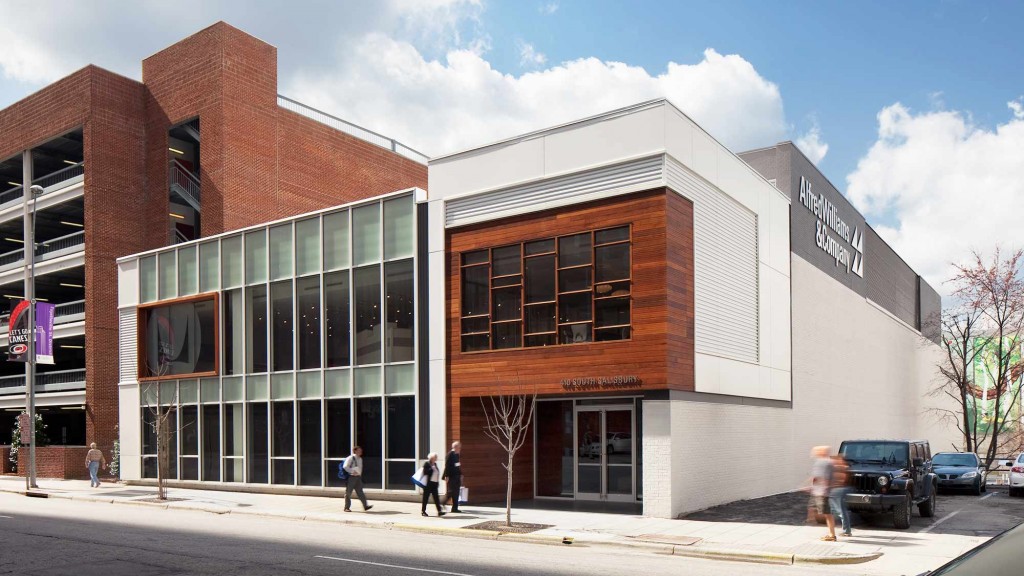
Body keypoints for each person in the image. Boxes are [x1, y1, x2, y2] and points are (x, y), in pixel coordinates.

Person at [806, 445, 836, 542]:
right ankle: (831, 533)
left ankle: (832, 535)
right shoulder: (823, 462)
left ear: (821, 452)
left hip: (822, 491)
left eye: (816, 452)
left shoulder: (825, 462)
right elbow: (816, 477)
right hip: (819, 490)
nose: (814, 454)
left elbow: (824, 478)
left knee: (827, 513)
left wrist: (823, 490)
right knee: (824, 512)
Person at [829, 453, 853, 537]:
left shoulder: (840, 468)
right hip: (840, 490)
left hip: (838, 490)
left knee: (840, 510)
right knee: (840, 510)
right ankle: (846, 530)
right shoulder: (844, 467)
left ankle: (846, 531)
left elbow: (840, 480)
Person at [343, 446, 373, 512]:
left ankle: (365, 506)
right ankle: (346, 507)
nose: (361, 451)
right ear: (355, 451)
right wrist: (352, 471)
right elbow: (345, 466)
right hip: (351, 477)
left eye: (361, 450)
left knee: (360, 492)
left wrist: (360, 476)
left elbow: (360, 469)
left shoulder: (360, 459)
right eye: (359, 450)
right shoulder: (350, 458)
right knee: (348, 493)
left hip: (358, 477)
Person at [420, 453, 446, 517]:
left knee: (436, 498)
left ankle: (439, 511)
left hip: (434, 484)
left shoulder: (435, 464)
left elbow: (437, 473)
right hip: (428, 484)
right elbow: (425, 472)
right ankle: (423, 511)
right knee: (425, 498)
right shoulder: (427, 464)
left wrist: (437, 483)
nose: (436, 458)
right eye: (435, 457)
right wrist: (431, 469)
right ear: (431, 458)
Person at [442, 441, 463, 513]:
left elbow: (458, 465)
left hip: (457, 476)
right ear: (455, 447)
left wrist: (460, 474)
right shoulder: (450, 454)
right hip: (451, 476)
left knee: (456, 492)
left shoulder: (456, 454)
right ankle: (443, 503)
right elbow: (447, 466)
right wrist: (446, 476)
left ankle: (455, 508)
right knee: (451, 492)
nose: (460, 448)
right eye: (459, 447)